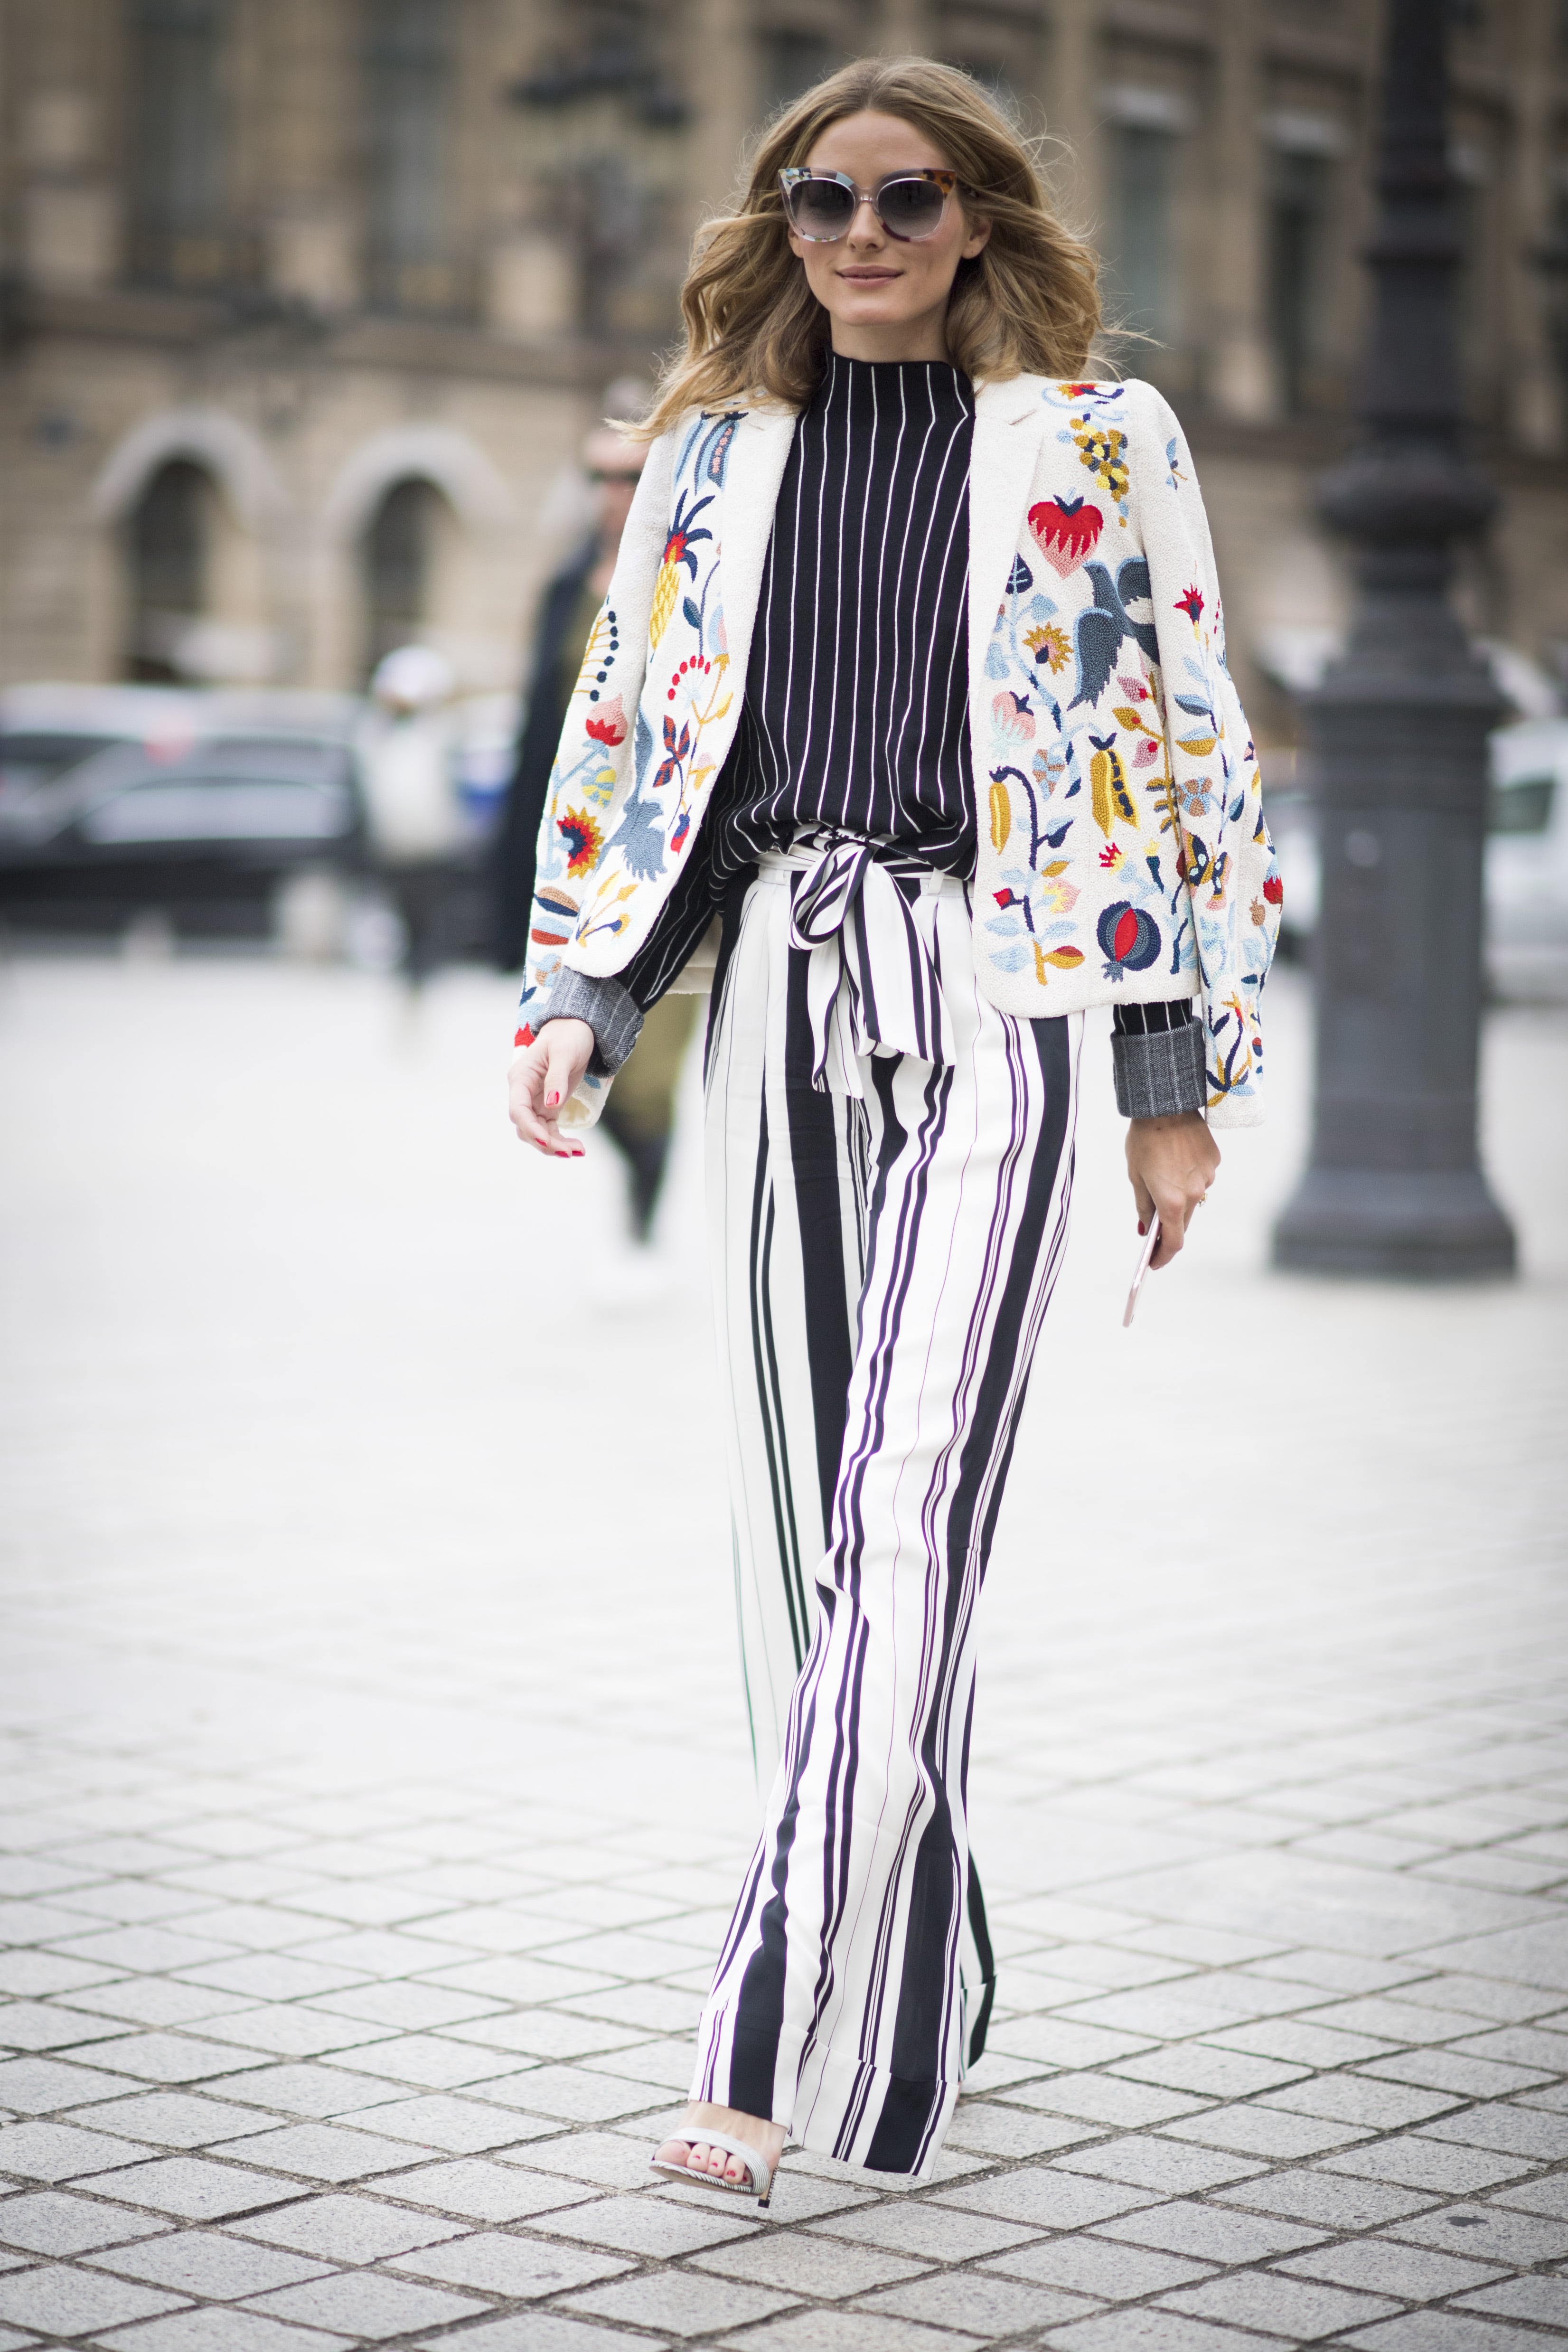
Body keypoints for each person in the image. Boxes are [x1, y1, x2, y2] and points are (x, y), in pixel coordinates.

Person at [508, 56, 1280, 2203]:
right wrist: (580, 995)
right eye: (816, 194)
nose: (857, 228)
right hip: (783, 996)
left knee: (912, 1490)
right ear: (773, 220)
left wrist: (1168, 1086)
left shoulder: (1095, 444)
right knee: (812, 1534)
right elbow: (634, 740)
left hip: (1014, 997)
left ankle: (752, 2047)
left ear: (974, 220)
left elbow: (1175, 757)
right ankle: (923, 1974)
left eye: (904, 194)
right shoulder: (701, 459)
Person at [494, 423, 699, 1246]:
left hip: (661, 862)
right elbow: (535, 737)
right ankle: (636, 1190)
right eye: (599, 474)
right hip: (568, 868)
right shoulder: (563, 590)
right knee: (551, 1055)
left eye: (630, 473)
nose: (613, 492)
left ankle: (643, 1221)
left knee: (642, 1072)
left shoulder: (688, 584)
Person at [358, 644, 467, 982]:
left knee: (429, 919)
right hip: (392, 845)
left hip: (433, 845)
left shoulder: (439, 735)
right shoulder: (374, 736)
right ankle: (409, 971)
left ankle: (424, 970)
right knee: (398, 919)